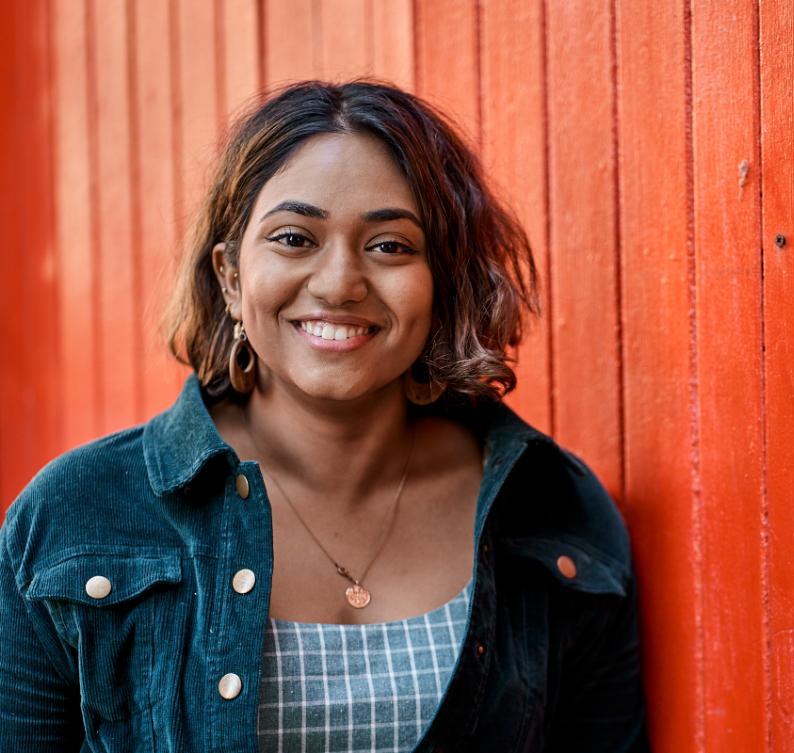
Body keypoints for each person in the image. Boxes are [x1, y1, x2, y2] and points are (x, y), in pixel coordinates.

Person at [0, 80, 649, 752]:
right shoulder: (73, 519)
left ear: (445, 279)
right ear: (230, 276)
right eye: (294, 237)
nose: (339, 282)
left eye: (390, 246)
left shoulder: (554, 513)